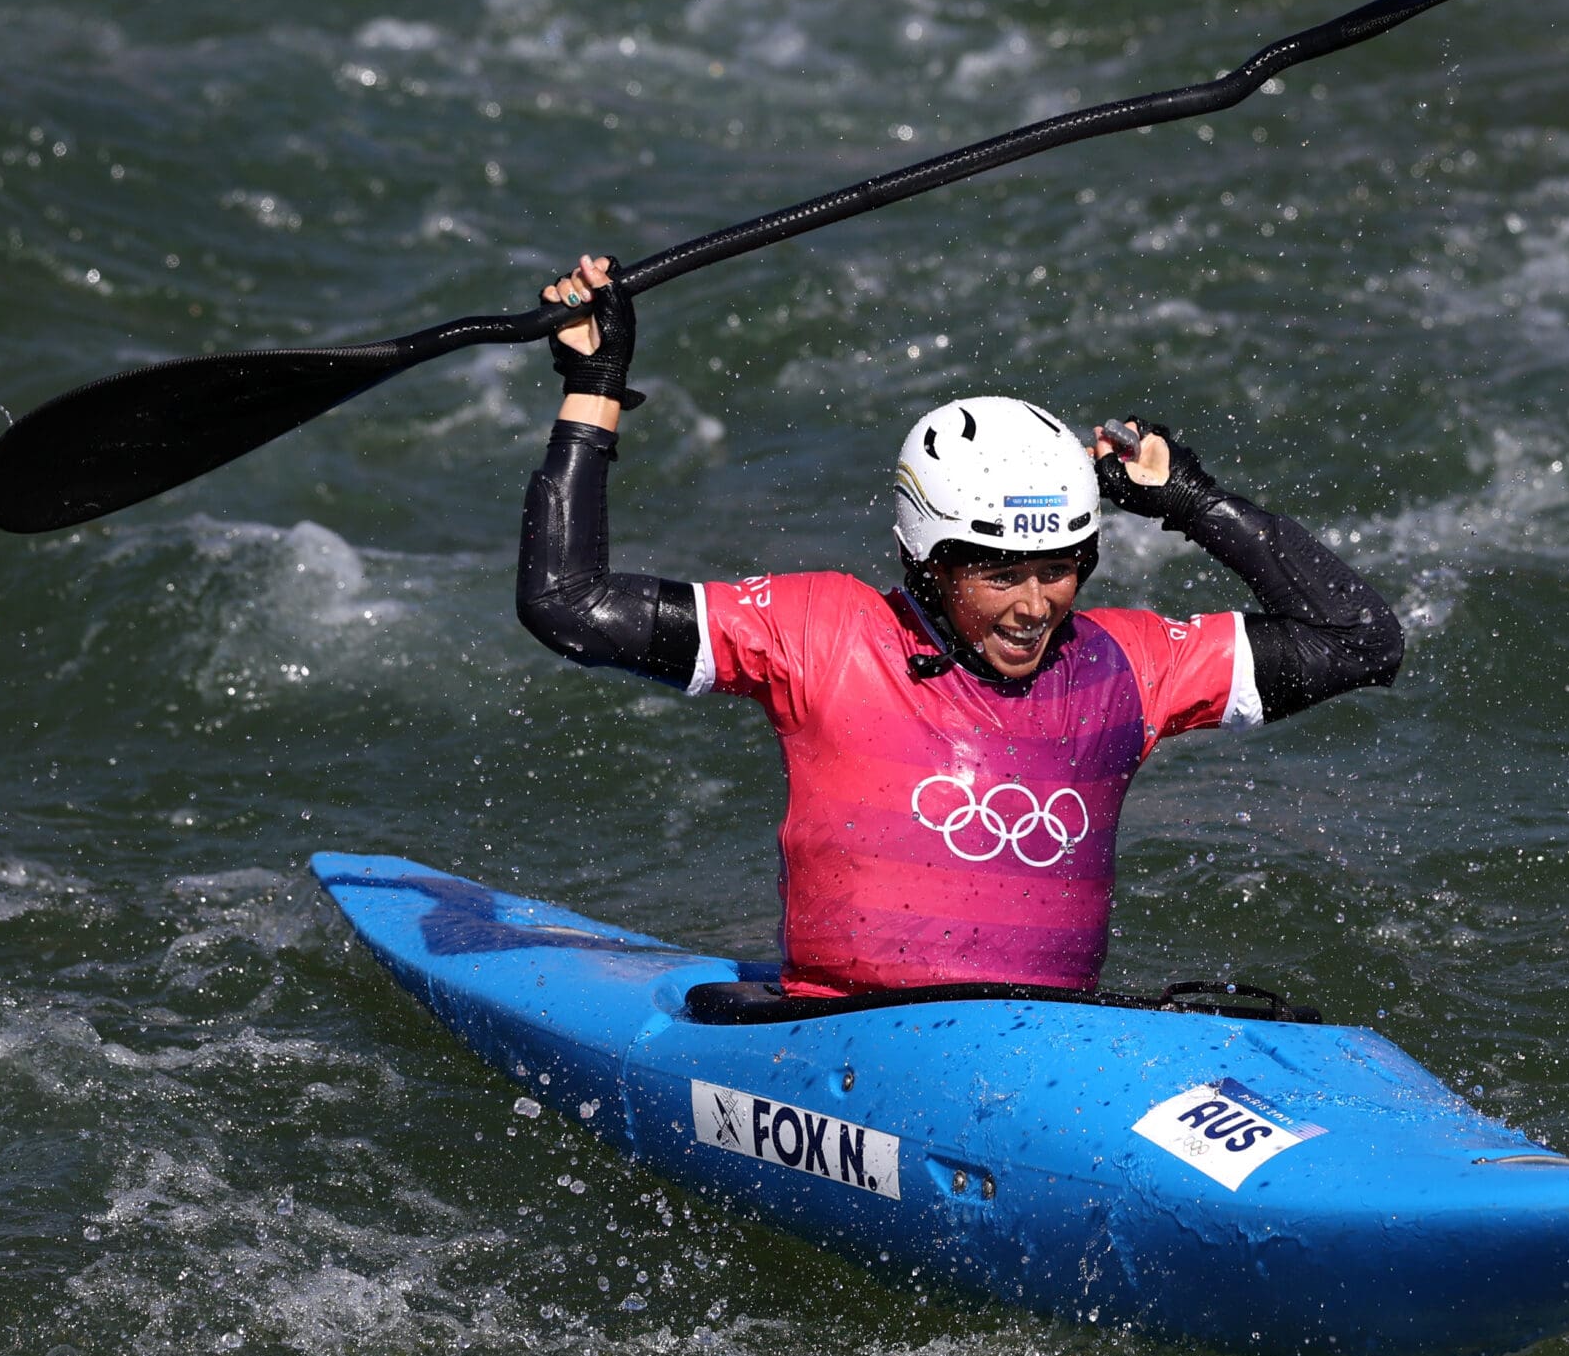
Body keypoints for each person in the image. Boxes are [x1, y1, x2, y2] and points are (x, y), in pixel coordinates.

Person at [519, 254, 1403, 997]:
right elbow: (568, 603)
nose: (1032, 605)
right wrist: (597, 387)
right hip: (842, 1042)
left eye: (1059, 567)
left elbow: (1363, 639)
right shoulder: (822, 632)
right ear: (925, 562)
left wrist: (1193, 502)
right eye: (997, 572)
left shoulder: (1126, 666)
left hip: (1053, 1060)